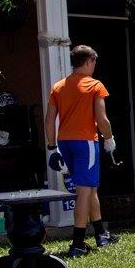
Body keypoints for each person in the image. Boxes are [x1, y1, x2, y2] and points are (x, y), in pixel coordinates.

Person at [44, 45, 118, 256]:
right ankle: (77, 243)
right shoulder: (95, 85)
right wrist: (109, 138)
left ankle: (101, 234)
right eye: (94, 62)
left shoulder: (58, 86)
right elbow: (102, 119)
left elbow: (50, 120)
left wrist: (52, 147)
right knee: (85, 191)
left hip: (65, 142)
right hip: (85, 141)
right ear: (89, 62)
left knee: (90, 188)